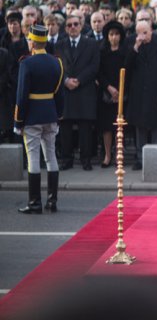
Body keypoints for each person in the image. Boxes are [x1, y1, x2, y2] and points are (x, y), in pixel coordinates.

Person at [14, 25, 64, 214]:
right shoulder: (56, 63)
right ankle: (52, 201)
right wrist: (58, 116)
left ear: (33, 43)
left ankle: (35, 202)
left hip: (32, 117)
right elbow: (60, 95)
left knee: (33, 158)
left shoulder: (27, 63)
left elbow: (21, 96)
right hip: (51, 115)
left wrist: (18, 122)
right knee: (51, 157)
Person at [56, 14, 100, 171]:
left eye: (76, 24)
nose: (73, 27)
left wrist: (79, 80)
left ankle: (85, 160)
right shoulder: (59, 45)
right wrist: (66, 80)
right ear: (66, 28)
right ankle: (66, 160)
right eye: (69, 25)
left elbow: (94, 67)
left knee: (85, 130)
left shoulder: (92, 44)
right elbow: (57, 66)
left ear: (81, 26)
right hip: (66, 92)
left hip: (85, 91)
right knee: (65, 129)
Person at [125, 21, 157, 170]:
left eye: (145, 32)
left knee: (156, 127)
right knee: (140, 128)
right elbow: (126, 68)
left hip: (155, 94)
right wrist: (135, 49)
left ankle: (156, 159)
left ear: (151, 31)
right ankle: (140, 158)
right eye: (139, 33)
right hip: (138, 96)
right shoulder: (133, 48)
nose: (142, 36)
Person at [96, 21, 127, 168]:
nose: (114, 37)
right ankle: (107, 154)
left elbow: (129, 71)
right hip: (106, 92)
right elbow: (99, 73)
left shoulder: (124, 52)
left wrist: (120, 90)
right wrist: (109, 88)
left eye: (116, 34)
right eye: (111, 34)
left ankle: (118, 154)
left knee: (119, 126)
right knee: (106, 126)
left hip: (122, 92)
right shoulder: (102, 52)